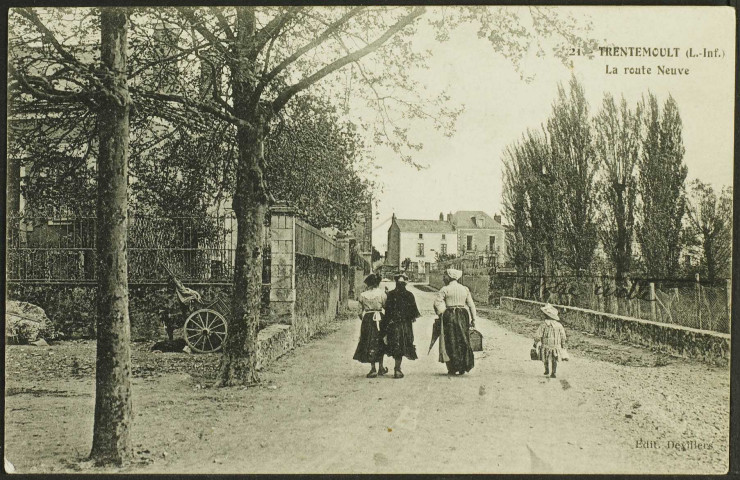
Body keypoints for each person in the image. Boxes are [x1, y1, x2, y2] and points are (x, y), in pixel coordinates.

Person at [433, 268, 477, 375]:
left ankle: (452, 367)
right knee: (462, 340)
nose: (444, 278)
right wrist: (473, 319)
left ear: (450, 277)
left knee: (450, 340)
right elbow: (471, 305)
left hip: (449, 316)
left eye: (445, 276)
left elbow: (436, 303)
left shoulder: (445, 289)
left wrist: (442, 314)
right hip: (463, 315)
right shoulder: (465, 289)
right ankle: (462, 366)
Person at [383, 273, 420, 378]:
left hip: (393, 324)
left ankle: (396, 368)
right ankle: (397, 369)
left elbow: (387, 310)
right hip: (404, 325)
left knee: (396, 344)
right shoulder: (409, 295)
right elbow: (414, 313)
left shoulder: (391, 294)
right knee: (401, 344)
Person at [353, 273, 388, 378]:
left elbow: (359, 312)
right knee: (380, 341)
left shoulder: (363, 295)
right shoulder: (382, 294)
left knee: (369, 342)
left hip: (368, 320)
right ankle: (381, 367)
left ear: (368, 284)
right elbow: (386, 307)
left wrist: (364, 319)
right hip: (379, 318)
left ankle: (373, 368)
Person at [533, 303, 567, 378]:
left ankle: (547, 370)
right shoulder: (559, 325)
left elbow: (538, 335)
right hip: (556, 345)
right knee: (554, 358)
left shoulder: (544, 325)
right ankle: (553, 372)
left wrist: (535, 343)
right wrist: (563, 344)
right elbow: (563, 336)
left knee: (545, 357)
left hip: (546, 344)